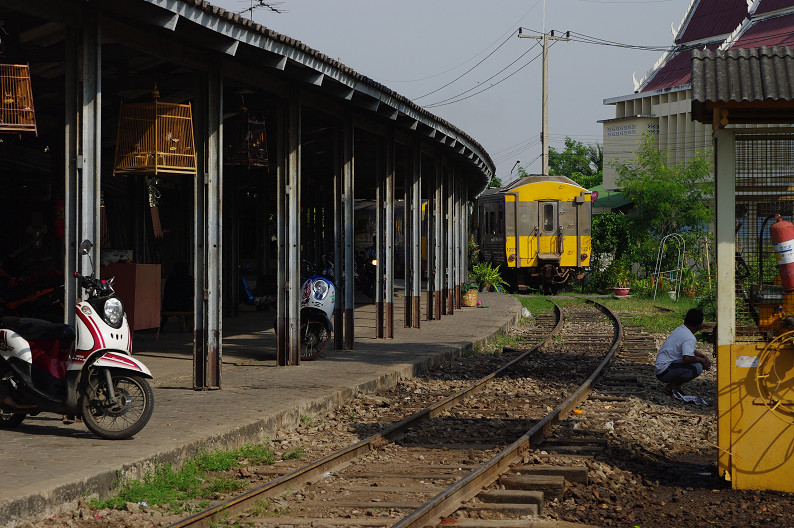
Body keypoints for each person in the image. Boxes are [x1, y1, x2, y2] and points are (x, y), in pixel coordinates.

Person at [654, 308, 711, 396]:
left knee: (696, 363)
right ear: (699, 325)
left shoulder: (681, 329)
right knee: (697, 367)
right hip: (664, 371)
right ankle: (672, 386)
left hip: (661, 368)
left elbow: (687, 349)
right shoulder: (689, 337)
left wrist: (702, 356)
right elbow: (687, 358)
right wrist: (702, 361)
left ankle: (675, 386)